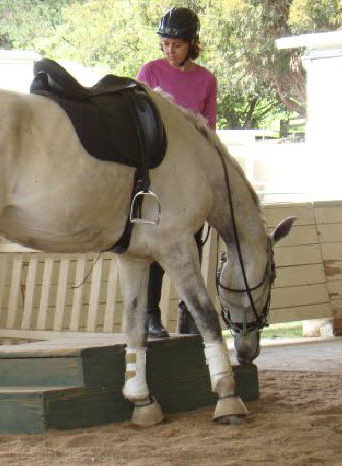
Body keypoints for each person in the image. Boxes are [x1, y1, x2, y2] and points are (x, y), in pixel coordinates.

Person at [136, 7, 217, 337]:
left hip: (189, 175)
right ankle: (151, 316)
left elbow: (208, 131)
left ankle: (188, 313)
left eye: (177, 45)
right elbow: (140, 118)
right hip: (157, 171)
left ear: (191, 44)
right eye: (166, 44)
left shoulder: (205, 80)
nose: (170, 50)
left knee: (192, 245)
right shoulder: (149, 72)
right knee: (156, 244)